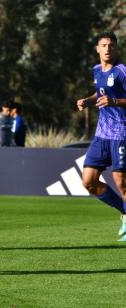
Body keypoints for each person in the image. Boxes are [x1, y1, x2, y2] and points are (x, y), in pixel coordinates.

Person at [76, 31, 126, 240]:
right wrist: (88, 100)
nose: (107, 49)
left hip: (121, 133)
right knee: (88, 181)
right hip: (101, 135)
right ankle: (124, 212)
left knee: (121, 182)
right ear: (97, 49)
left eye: (111, 45)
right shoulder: (97, 70)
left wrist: (114, 102)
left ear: (116, 48)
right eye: (103, 45)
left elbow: (113, 97)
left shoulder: (122, 71)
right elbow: (101, 92)